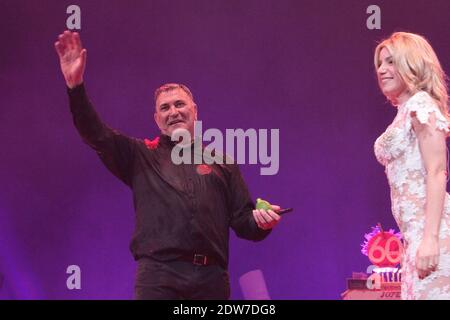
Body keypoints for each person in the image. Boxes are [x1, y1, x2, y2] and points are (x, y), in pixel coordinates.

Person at [54, 30, 282, 300]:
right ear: (156, 118)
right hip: (159, 278)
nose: (173, 112)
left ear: (195, 111)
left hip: (212, 281)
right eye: (164, 108)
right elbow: (96, 134)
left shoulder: (223, 163)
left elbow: (245, 222)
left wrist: (262, 222)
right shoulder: (140, 156)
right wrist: (75, 87)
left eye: (179, 104)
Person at [373, 32, 450, 299]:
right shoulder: (404, 112)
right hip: (414, 239)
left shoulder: (420, 105)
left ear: (412, 63)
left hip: (434, 234)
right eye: (380, 64)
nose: (382, 70)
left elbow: (437, 171)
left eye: (391, 62)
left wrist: (429, 238)